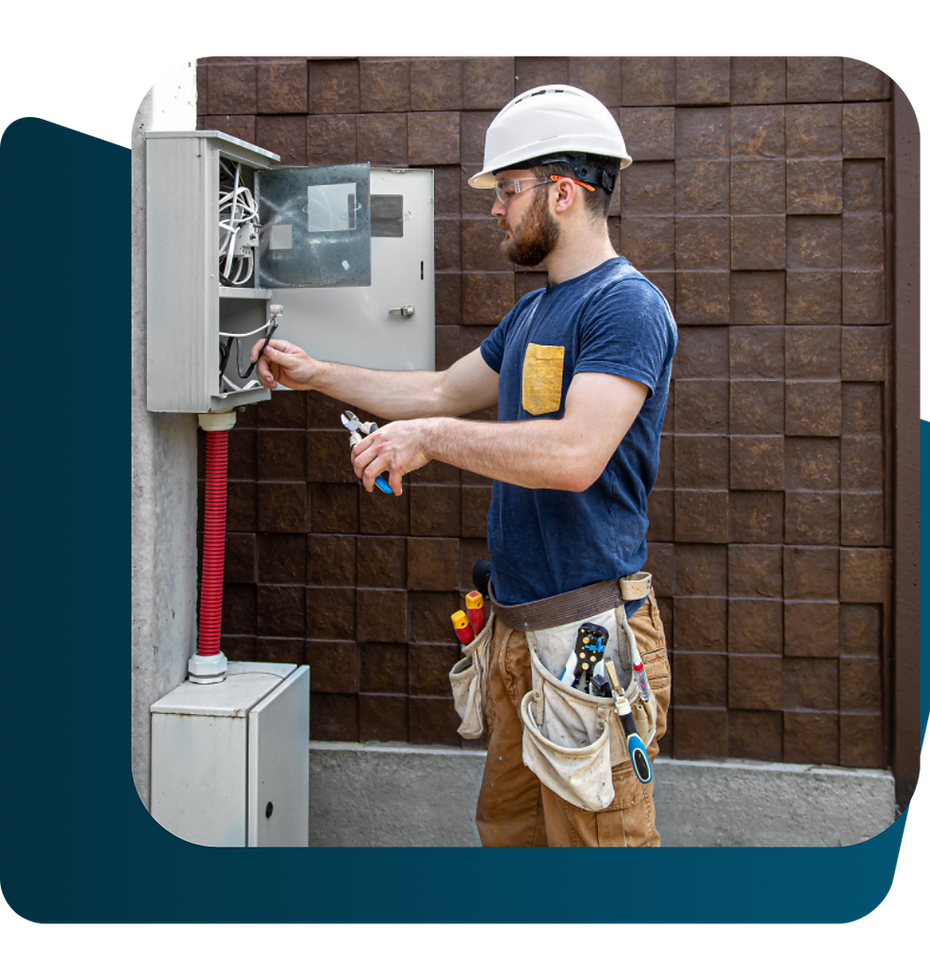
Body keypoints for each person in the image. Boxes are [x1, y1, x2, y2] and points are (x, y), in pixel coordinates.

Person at [251, 84, 677, 847]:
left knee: (599, 858)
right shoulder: (534, 310)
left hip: (587, 637)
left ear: (565, 192)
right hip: (516, 634)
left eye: (508, 190)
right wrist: (316, 374)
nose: (495, 209)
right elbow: (443, 390)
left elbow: (577, 454)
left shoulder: (625, 307)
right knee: (511, 842)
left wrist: (434, 439)